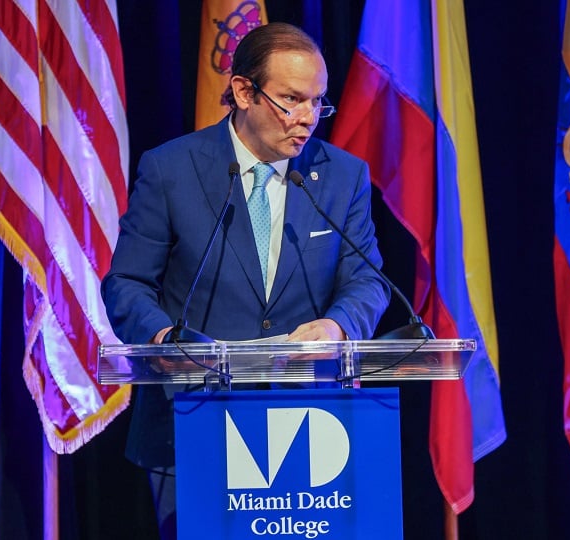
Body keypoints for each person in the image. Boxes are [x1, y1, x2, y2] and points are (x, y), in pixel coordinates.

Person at [101, 22, 390, 539]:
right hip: (189, 418)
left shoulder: (343, 176)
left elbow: (367, 281)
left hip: (312, 424)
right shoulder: (171, 169)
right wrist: (166, 340)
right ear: (243, 91)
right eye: (291, 99)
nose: (306, 119)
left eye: (318, 102)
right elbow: (126, 282)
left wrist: (338, 327)